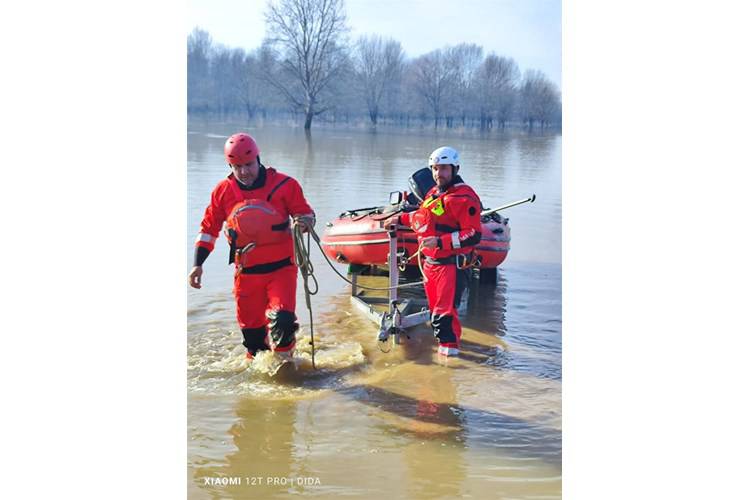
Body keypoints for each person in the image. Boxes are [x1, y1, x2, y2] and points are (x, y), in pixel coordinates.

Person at [188, 132, 315, 361]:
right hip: (246, 273)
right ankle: (261, 376)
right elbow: (208, 229)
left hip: (281, 269)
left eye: (248, 165)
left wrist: (304, 221)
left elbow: (305, 212)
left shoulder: (286, 185)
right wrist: (197, 265)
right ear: (230, 165)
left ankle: (286, 367)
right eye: (237, 167)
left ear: (258, 159)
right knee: (254, 343)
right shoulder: (222, 192)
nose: (244, 172)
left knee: (283, 322)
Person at [387, 146, 482, 356]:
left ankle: (449, 358)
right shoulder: (433, 194)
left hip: (450, 265)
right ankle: (444, 369)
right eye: (436, 169)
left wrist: (440, 242)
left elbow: (473, 234)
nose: (439, 173)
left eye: (444, 169)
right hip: (432, 265)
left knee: (444, 318)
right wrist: (399, 219)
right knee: (437, 315)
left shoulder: (464, 198)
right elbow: (422, 217)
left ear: (455, 169)